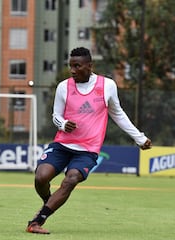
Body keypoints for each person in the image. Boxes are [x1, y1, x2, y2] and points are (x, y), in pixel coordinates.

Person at [26, 47, 152, 234]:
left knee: (71, 179)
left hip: (88, 149)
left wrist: (139, 138)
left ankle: (37, 221)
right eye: (71, 66)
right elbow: (56, 115)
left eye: (77, 66)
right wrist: (63, 124)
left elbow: (118, 114)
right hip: (62, 145)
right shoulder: (64, 86)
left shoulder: (107, 85)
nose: (73, 70)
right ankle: (49, 202)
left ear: (90, 66)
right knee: (41, 177)